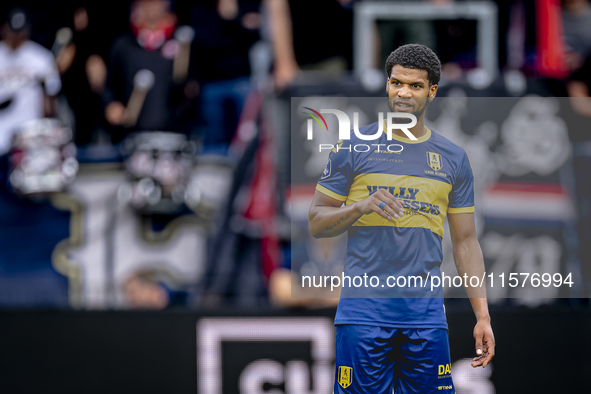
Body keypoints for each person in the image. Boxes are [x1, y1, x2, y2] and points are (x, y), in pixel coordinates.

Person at [308, 44, 495, 393]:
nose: (403, 93)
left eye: (415, 86)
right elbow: (317, 221)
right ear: (387, 85)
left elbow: (466, 240)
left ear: (432, 91)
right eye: (396, 83)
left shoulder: (453, 159)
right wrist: (359, 207)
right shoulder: (353, 147)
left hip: (425, 318)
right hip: (363, 316)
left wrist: (482, 315)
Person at [0, 7, 61, 155]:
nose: (16, 36)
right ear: (4, 29)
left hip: (30, 135)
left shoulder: (41, 58)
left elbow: (51, 98)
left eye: (19, 31)